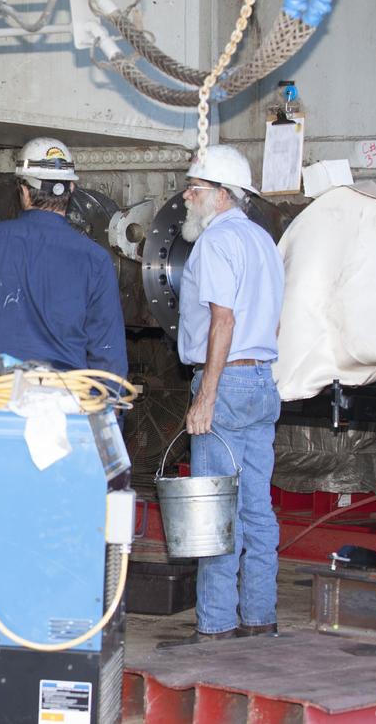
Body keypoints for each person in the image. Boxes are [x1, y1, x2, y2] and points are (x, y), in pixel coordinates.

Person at [159, 144, 284, 647]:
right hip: (261, 381)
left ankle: (215, 624)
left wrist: (206, 395)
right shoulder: (263, 241)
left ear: (223, 195)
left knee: (215, 508)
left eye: (196, 188)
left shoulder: (215, 243)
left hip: (226, 381)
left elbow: (223, 320)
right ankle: (260, 617)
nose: (187, 197)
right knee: (256, 506)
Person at [0, 137, 126, 380]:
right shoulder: (96, 260)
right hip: (63, 405)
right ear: (70, 189)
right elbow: (108, 359)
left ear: (24, 190)